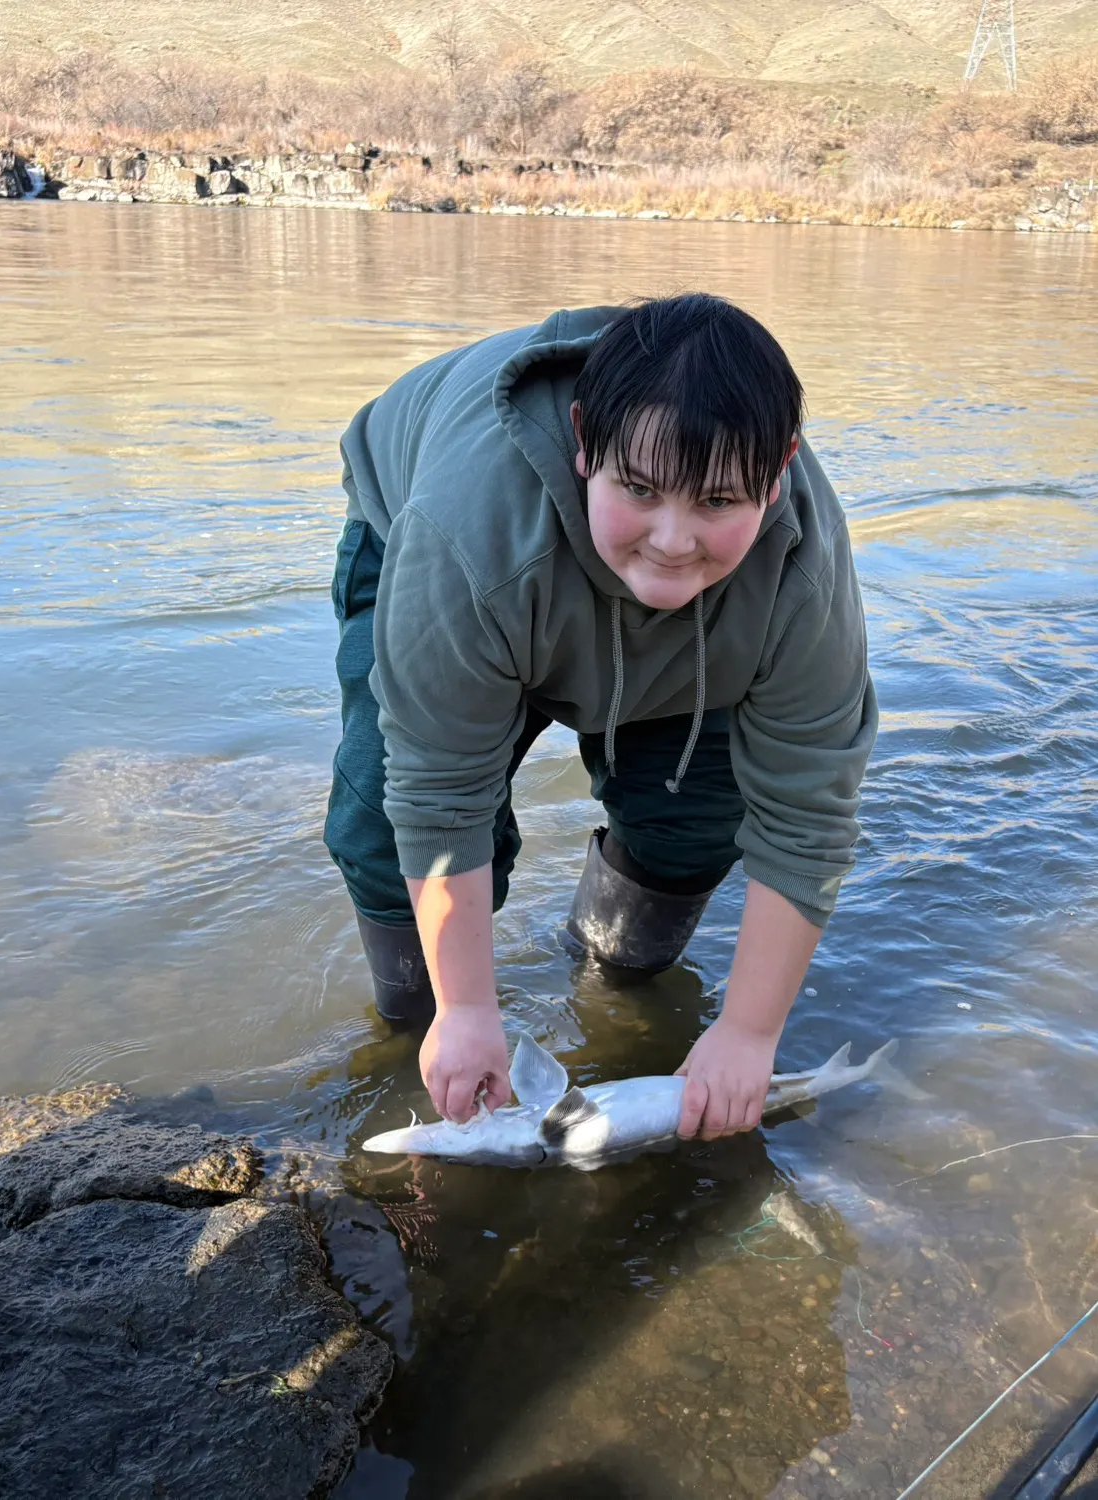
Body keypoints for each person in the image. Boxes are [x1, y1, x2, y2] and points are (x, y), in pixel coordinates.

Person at [324, 294, 876, 1143]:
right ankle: (415, 1026)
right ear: (585, 442)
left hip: (697, 622)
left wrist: (748, 1032)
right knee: (376, 823)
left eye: (718, 502)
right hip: (440, 542)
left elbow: (809, 811)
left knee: (691, 824)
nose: (672, 540)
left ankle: (616, 977)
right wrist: (467, 1007)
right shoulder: (467, 535)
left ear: (777, 475)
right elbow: (437, 791)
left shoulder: (802, 570)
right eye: (640, 489)